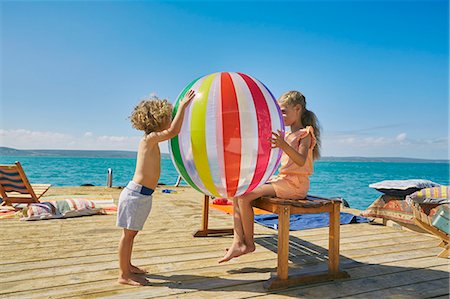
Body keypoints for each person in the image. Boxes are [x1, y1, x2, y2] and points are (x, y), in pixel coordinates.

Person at [219, 90, 321, 263]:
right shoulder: (287, 135)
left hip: (295, 185)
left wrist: (283, 145)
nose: (281, 116)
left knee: (244, 198)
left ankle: (249, 244)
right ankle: (238, 241)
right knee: (238, 192)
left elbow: (301, 160)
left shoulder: (305, 134)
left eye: (283, 111)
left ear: (297, 109)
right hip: (283, 180)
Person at [117, 90, 195, 286]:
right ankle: (123, 275)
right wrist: (184, 106)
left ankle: (128, 266)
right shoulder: (148, 139)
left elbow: (173, 133)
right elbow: (173, 131)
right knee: (127, 236)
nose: (170, 121)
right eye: (167, 118)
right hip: (135, 196)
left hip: (142, 196)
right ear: (157, 120)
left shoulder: (153, 140)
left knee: (132, 234)